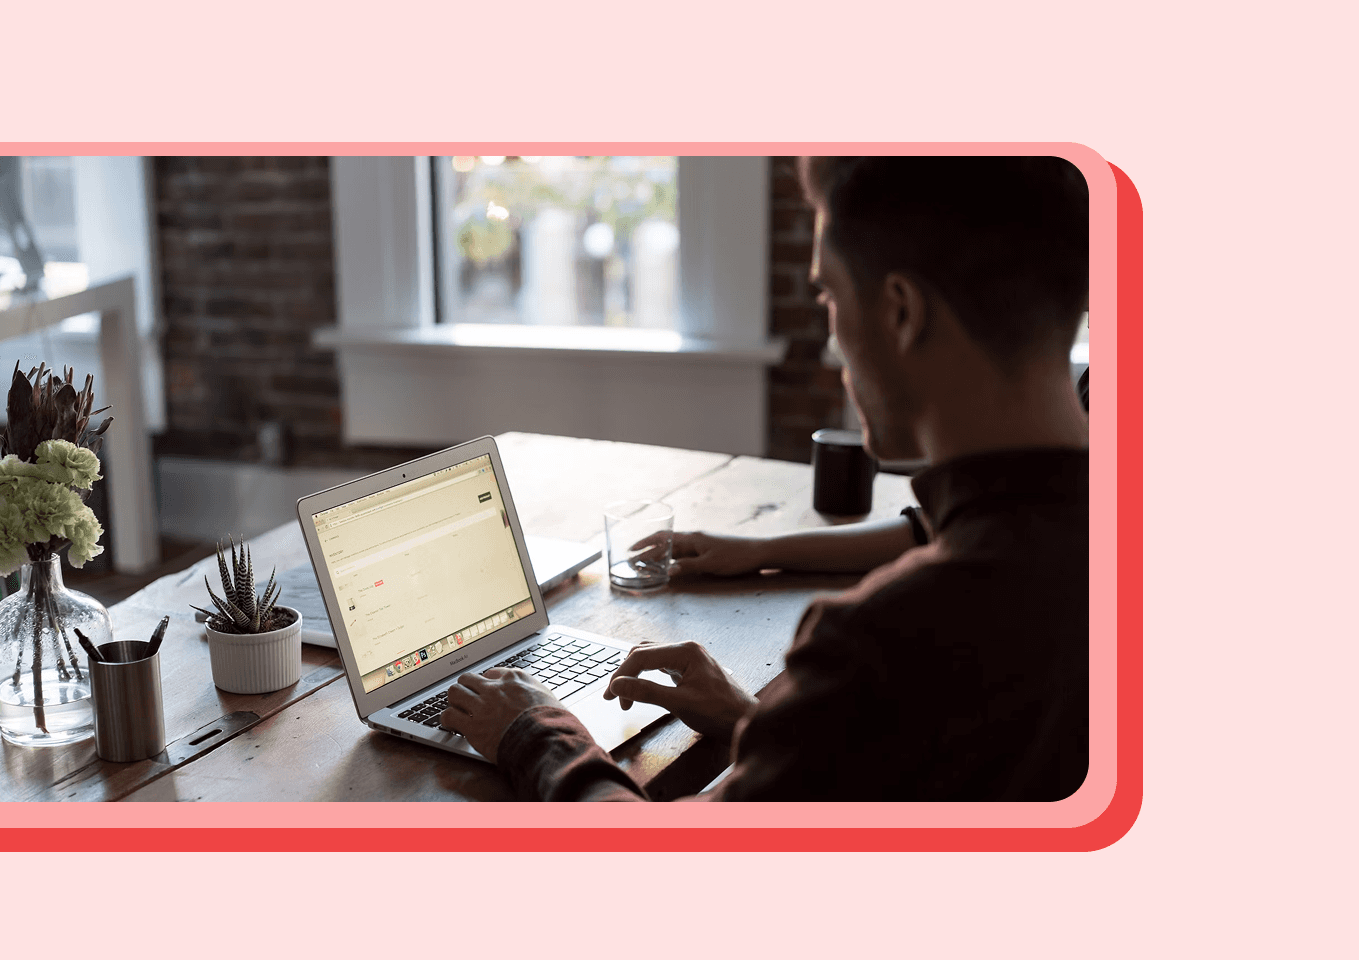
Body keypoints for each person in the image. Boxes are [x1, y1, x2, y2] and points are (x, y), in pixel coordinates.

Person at [440, 156, 1091, 801]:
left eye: (831, 295)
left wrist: (535, 731)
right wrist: (773, 728)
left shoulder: (888, 644)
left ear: (901, 313)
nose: (832, 348)